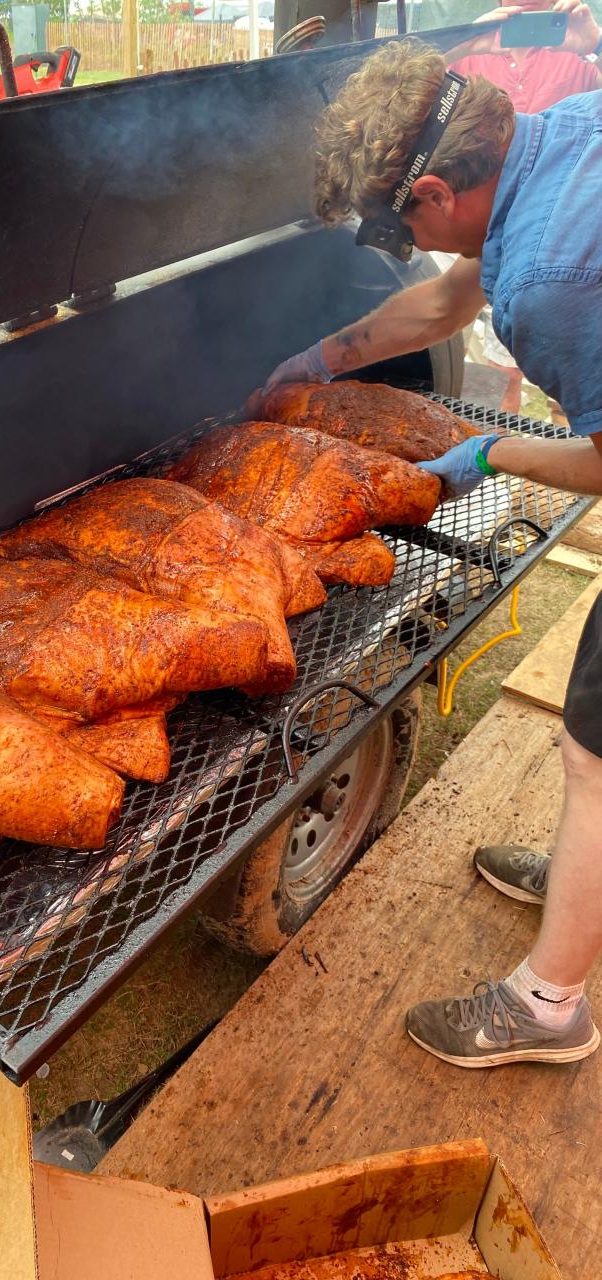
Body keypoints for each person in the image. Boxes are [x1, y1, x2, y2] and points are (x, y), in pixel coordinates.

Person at [265, 39, 602, 1068]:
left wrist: (491, 449)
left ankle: (550, 1006)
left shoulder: (551, 279)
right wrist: (323, 358)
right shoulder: (566, 136)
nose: (400, 246)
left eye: (393, 225)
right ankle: (583, 878)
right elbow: (455, 297)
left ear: (434, 188)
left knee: (595, 748)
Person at [446, 0, 602, 412]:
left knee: (574, 390)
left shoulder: (576, 54)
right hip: (496, 233)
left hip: (573, 243)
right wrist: (460, 44)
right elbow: (409, 107)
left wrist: (596, 43)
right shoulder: (474, 53)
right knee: (502, 372)